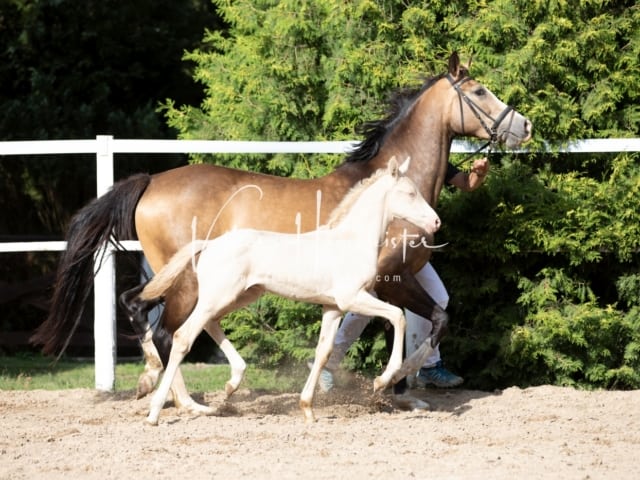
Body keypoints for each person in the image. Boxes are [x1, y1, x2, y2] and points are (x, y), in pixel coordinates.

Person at [317, 157, 491, 393]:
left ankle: (427, 365)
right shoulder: (388, 155)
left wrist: (478, 174)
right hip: (383, 247)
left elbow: (466, 183)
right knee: (365, 304)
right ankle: (328, 363)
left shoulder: (434, 160)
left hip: (413, 250)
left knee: (438, 298)